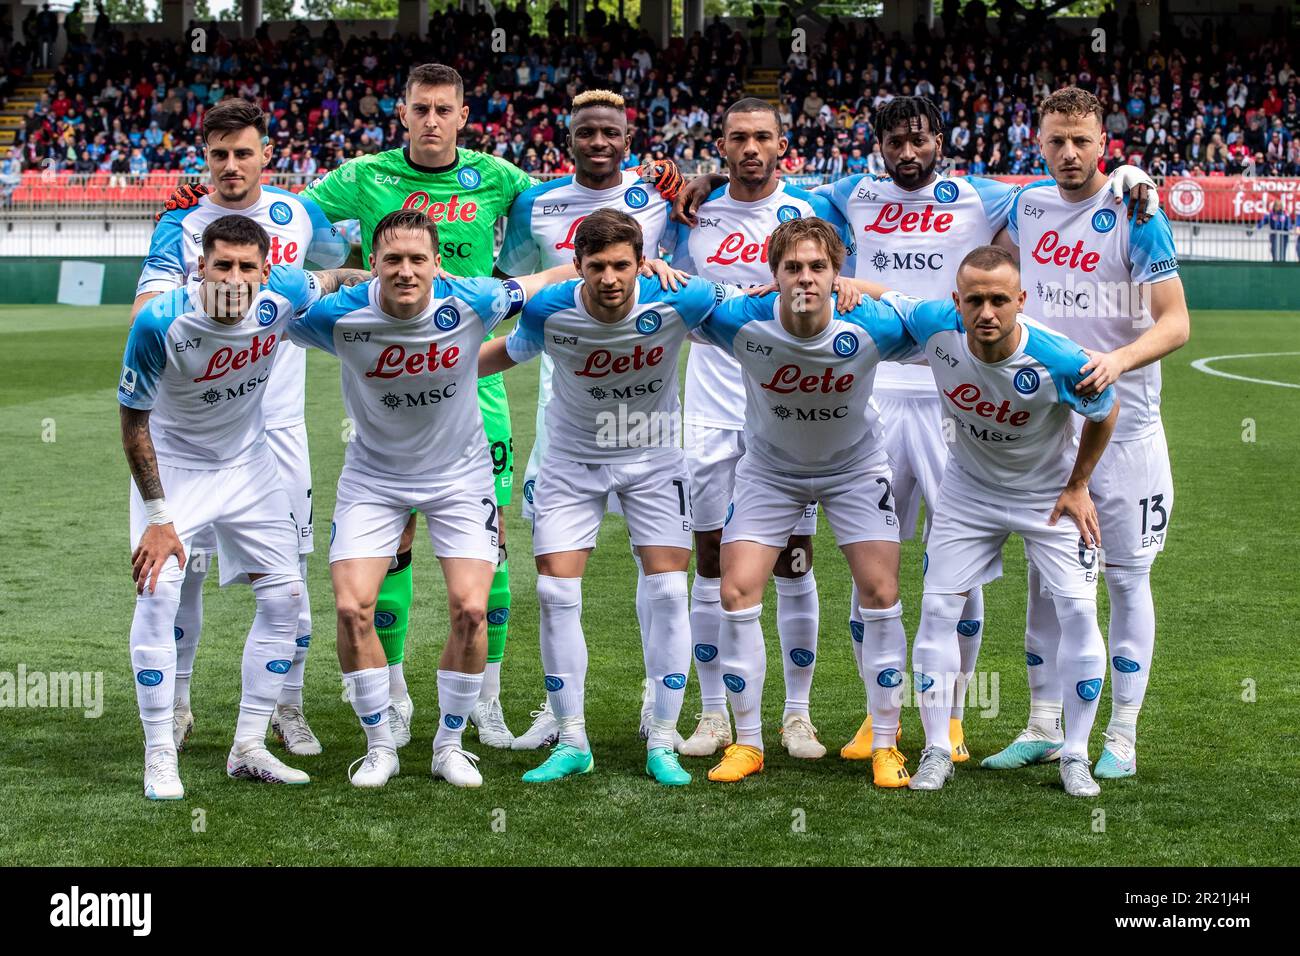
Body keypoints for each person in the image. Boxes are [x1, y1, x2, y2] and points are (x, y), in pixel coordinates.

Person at [287, 210, 571, 789]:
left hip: (459, 479)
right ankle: (378, 745)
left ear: (437, 264)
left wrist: (636, 264)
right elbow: (267, 304)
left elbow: (545, 281)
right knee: (351, 608)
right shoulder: (339, 317)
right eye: (393, 259)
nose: (406, 270)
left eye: (418, 259)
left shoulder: (473, 299)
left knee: (470, 609)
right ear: (374, 263)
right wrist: (327, 276)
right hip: (373, 479)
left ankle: (449, 744)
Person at [119, 214, 364, 799]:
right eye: (220, 265)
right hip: (176, 470)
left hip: (250, 467)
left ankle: (248, 746)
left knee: (285, 597)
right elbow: (133, 426)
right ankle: (159, 754)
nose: (233, 278)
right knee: (158, 593)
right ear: (199, 267)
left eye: (246, 267)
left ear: (265, 271)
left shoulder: (284, 292)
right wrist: (158, 517)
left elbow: (336, 277)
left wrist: (403, 279)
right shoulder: (160, 320)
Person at [860, 245, 1119, 796]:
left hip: (1046, 498)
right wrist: (841, 283)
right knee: (936, 609)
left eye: (1000, 300)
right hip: (967, 494)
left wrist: (1078, 485)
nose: (986, 313)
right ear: (956, 301)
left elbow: (1105, 408)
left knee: (1077, 611)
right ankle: (936, 749)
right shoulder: (937, 325)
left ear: (1021, 301)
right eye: (974, 300)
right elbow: (889, 297)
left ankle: (1074, 752)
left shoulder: (1059, 358)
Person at [479, 210, 726, 786]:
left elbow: (752, 312)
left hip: (654, 456)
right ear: (578, 266)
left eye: (622, 265)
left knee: (667, 590)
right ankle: (572, 741)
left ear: (642, 261)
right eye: (597, 267)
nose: (610, 277)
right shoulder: (548, 308)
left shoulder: (679, 298)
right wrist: (434, 366)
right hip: (570, 461)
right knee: (554, 592)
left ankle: (662, 741)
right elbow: (508, 353)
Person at [990, 86, 1189, 779]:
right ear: (1036, 143)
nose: (1068, 153)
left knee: (1129, 581)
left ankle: (1123, 735)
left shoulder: (1137, 212)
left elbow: (1175, 323)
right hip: (1048, 431)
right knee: (1049, 586)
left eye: (1081, 140)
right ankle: (1044, 724)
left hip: (1126, 429)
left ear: (1104, 141)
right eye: (1055, 140)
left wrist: (1117, 362)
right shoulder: (1025, 206)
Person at [693, 217, 916, 788]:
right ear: (773, 275)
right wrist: (650, 266)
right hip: (770, 473)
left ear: (838, 273)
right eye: (793, 267)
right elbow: (664, 295)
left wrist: (868, 289)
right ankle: (748, 743)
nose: (806, 278)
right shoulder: (741, 320)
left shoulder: (870, 324)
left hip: (854, 470)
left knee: (881, 593)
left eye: (819, 267)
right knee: (736, 589)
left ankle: (887, 745)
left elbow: (948, 312)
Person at [665, 98, 856, 761]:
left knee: (794, 562)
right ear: (721, 144)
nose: (750, 147)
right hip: (712, 411)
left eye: (762, 137)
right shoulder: (690, 212)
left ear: (783, 144)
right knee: (714, 565)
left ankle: (796, 716)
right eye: (738, 137)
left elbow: (845, 282)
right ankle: (715, 714)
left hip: (786, 413)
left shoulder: (809, 214)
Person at [495, 89, 683, 750]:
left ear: (628, 139)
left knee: (662, 579)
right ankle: (559, 712)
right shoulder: (536, 204)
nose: (599, 142)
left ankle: (656, 706)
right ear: (566, 140)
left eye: (610, 133)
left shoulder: (662, 195)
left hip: (648, 417)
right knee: (556, 583)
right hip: (565, 413)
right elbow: (522, 279)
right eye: (586, 133)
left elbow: (691, 253)